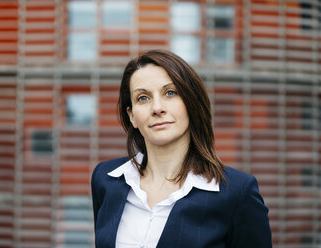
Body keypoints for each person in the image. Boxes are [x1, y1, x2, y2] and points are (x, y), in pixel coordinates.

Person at [91, 50, 272, 248]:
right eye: (143, 98)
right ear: (132, 115)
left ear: (191, 103)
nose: (157, 108)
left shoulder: (237, 192)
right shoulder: (106, 179)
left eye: (170, 93)